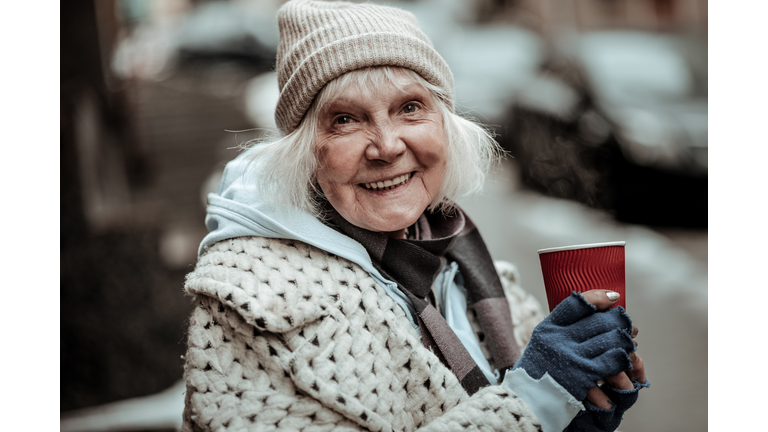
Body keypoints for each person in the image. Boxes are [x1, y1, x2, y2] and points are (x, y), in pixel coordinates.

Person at [180, 1, 649, 431]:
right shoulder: (250, 303)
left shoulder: (464, 262)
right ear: (306, 152)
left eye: (410, 108)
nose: (387, 146)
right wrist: (531, 404)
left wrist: (577, 410)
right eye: (345, 119)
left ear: (445, 126)